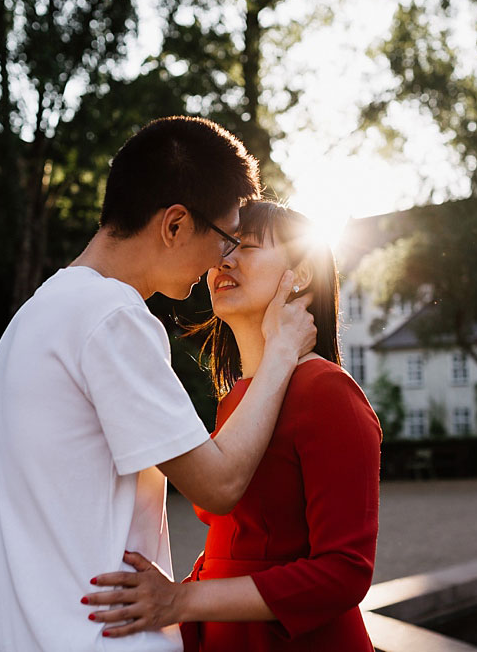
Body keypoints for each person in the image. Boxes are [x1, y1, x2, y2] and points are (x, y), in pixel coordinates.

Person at [0, 118, 316, 651]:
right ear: (175, 225)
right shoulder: (113, 318)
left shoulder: (26, 322)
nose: (223, 260)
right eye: (227, 237)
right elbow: (219, 485)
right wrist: (280, 353)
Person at [83, 201, 383, 651]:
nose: (224, 259)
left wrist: (182, 601)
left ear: (300, 274)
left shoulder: (327, 392)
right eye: (223, 246)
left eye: (247, 246)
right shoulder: (238, 398)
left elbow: (344, 571)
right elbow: (232, 542)